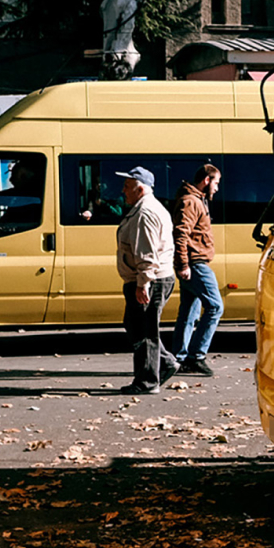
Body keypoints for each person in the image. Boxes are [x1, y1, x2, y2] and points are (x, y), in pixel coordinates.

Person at [113, 166, 177, 395]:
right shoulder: (144, 208)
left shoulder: (144, 213)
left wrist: (144, 283)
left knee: (145, 331)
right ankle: (164, 364)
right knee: (135, 326)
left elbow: (147, 253)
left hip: (151, 279)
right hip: (148, 278)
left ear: (140, 189)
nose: (123, 191)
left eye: (127, 186)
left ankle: (148, 381)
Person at [170, 164, 223, 376]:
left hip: (193, 263)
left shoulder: (195, 199)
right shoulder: (191, 201)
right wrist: (182, 264)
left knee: (189, 311)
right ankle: (196, 356)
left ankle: (178, 358)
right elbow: (180, 234)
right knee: (215, 307)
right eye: (216, 183)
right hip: (195, 263)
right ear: (207, 180)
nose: (218, 188)